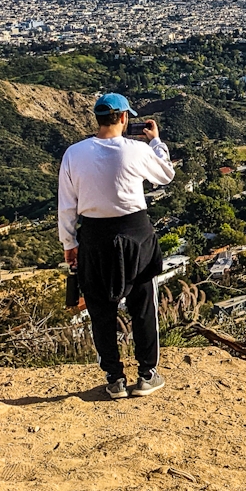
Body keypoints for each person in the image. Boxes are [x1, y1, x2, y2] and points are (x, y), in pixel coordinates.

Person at [58, 93, 175, 399]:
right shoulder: (136, 150)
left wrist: (69, 242)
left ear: (97, 119)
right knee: (143, 306)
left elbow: (66, 206)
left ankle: (114, 379)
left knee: (100, 309)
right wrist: (155, 142)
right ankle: (147, 374)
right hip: (136, 233)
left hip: (94, 237)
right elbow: (165, 175)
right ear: (124, 118)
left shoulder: (73, 153)